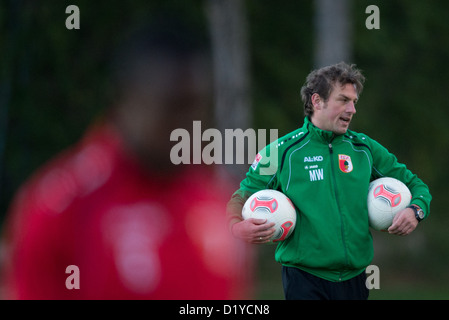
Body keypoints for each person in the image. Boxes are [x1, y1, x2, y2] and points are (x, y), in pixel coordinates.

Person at [0, 17, 251, 299]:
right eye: (174, 108)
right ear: (127, 99)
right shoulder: (60, 208)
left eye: (198, 108)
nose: (189, 127)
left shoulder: (216, 199)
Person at [226, 62, 432, 300]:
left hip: (356, 278)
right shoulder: (281, 152)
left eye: (354, 102)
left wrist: (415, 210)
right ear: (317, 101)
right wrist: (235, 226)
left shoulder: (364, 148)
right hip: (304, 278)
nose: (352, 109)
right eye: (343, 100)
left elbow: (416, 186)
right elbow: (241, 196)